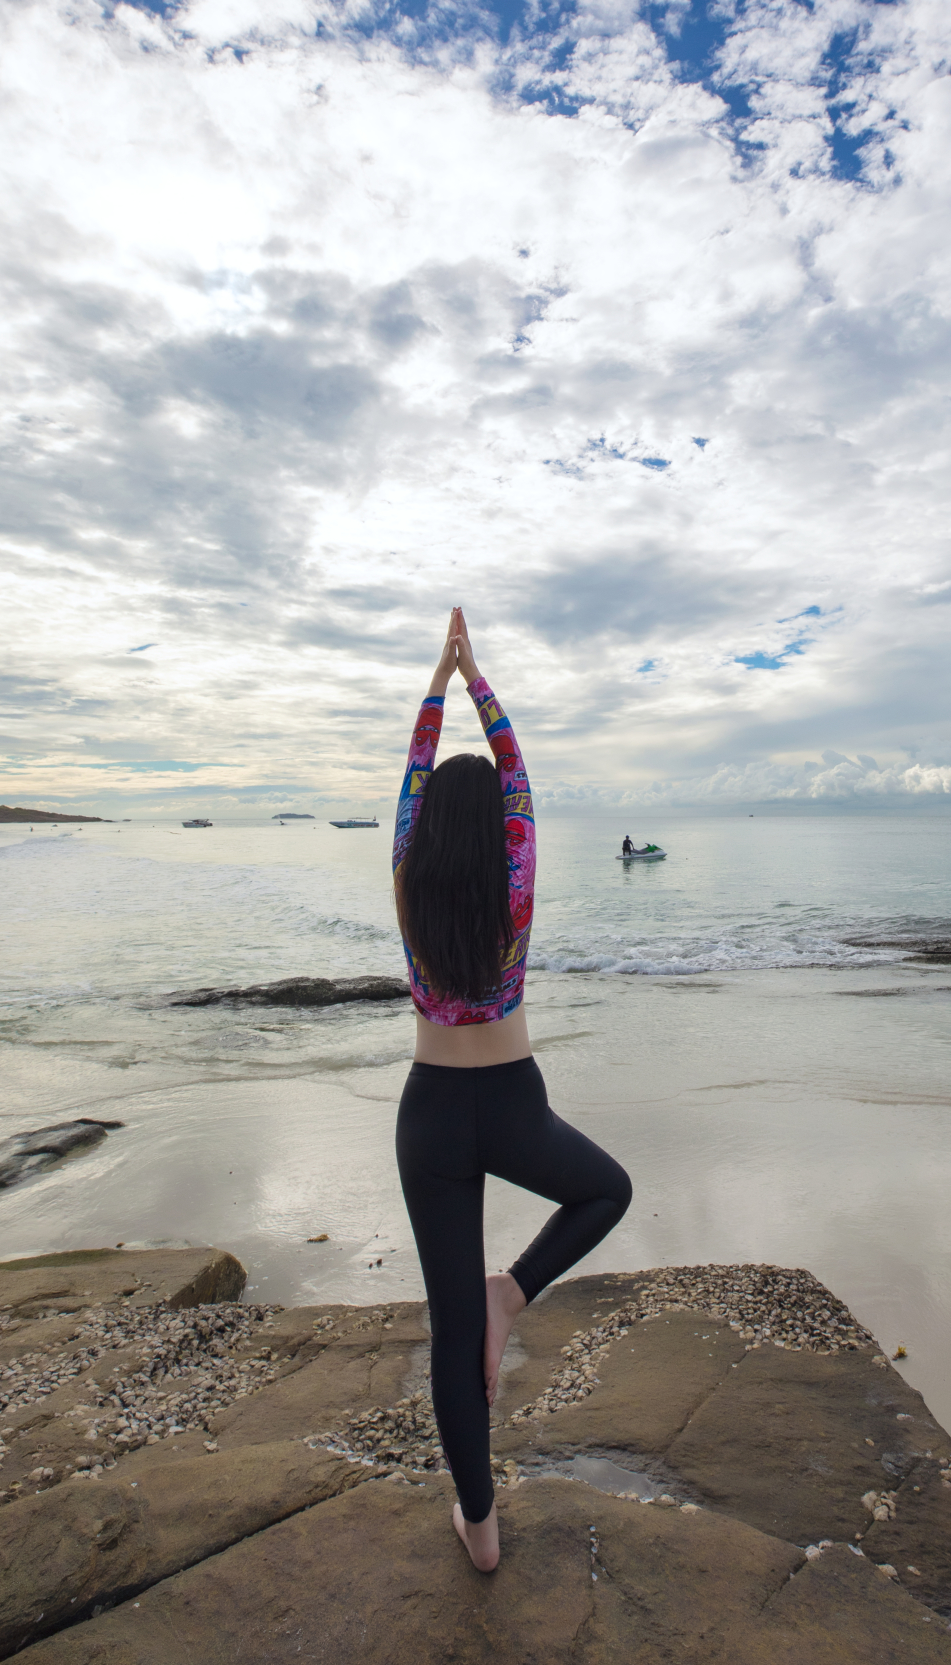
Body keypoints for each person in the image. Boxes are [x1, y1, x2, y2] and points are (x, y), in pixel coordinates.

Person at [393, 608, 632, 1573]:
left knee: (453, 1332)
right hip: (515, 1102)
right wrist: (476, 679)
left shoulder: (408, 875)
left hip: (432, 1118)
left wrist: (436, 685)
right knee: (605, 1190)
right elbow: (518, 774)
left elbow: (414, 776)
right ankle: (517, 1291)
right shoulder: (518, 876)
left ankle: (480, 1530)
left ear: (426, 831)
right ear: (498, 830)